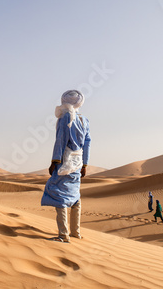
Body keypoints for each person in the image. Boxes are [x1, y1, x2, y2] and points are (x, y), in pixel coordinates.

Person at [41, 90, 91, 243]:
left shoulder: (66, 117)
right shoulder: (84, 120)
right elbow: (87, 142)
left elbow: (61, 139)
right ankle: (76, 232)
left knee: (59, 195)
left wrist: (54, 161)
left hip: (65, 161)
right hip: (78, 162)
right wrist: (84, 164)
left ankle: (63, 235)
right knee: (75, 196)